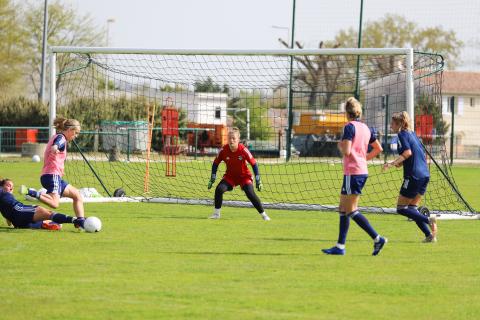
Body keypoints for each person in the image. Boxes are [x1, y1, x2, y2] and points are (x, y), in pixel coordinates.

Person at [322, 97, 387, 256]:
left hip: (353, 172)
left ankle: (377, 238)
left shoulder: (349, 127)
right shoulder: (365, 128)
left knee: (351, 210)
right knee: (343, 208)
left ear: (346, 112)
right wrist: (363, 159)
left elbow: (347, 151)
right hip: (359, 171)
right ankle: (340, 246)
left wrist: (341, 145)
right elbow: (378, 148)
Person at [19, 117, 86, 227]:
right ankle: (32, 192)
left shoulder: (57, 136)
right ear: (70, 130)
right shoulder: (61, 138)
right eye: (76, 133)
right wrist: (55, 147)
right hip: (52, 175)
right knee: (55, 203)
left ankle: (81, 222)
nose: (76, 136)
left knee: (77, 195)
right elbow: (57, 143)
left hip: (53, 176)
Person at [382, 111, 437, 242]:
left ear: (399, 124)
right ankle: (429, 236)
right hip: (424, 175)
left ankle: (428, 220)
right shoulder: (412, 134)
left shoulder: (402, 134)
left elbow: (407, 152)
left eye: (392, 124)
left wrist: (391, 163)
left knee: (401, 208)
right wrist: (400, 163)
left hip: (414, 176)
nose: (391, 126)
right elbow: (413, 155)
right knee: (412, 208)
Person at [207, 127, 270, 221]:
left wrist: (258, 179)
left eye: (233, 138)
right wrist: (213, 177)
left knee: (250, 193)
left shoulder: (243, 150)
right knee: (219, 189)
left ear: (238, 140)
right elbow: (215, 163)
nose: (231, 140)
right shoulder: (223, 150)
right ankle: (216, 214)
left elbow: (254, 164)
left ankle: (264, 215)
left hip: (244, 177)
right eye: (229, 138)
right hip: (230, 177)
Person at [1, 178, 83, 230]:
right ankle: (76, 220)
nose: (11, 188)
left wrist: (8, 219)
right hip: (18, 209)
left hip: (18, 222)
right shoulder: (2, 192)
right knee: (42, 211)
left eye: (12, 186)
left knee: (35, 221)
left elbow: (8, 220)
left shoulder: (6, 197)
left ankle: (46, 223)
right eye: (8, 185)